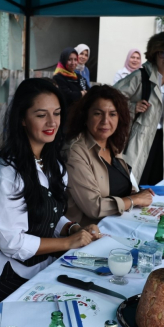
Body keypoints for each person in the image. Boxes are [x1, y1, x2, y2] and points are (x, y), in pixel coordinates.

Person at [0, 79, 101, 312]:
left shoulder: (53, 164)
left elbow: (48, 214)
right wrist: (67, 242)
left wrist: (72, 228)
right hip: (4, 275)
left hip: (40, 267)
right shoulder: (5, 173)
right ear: (22, 119)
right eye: (41, 115)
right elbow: (12, 243)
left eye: (57, 113)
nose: (52, 122)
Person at [63, 85, 154, 226]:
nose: (105, 121)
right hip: (89, 231)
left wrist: (138, 194)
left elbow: (119, 186)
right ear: (85, 116)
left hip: (118, 223)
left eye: (112, 114)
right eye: (98, 113)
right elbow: (94, 208)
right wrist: (134, 200)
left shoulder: (112, 145)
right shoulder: (75, 151)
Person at [114, 31, 164, 185]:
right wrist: (132, 106)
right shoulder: (140, 76)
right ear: (155, 53)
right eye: (163, 53)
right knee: (135, 180)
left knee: (162, 183)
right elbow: (112, 98)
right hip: (141, 136)